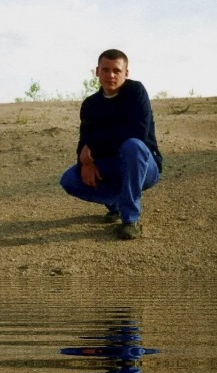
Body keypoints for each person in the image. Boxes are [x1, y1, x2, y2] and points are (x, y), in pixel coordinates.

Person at [60, 49, 162, 240]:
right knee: (69, 180)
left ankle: (130, 220)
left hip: (144, 166)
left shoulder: (135, 92)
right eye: (105, 70)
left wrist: (97, 145)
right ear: (97, 71)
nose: (111, 75)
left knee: (133, 145)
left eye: (117, 70)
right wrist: (86, 164)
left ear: (126, 73)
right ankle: (116, 202)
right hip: (111, 165)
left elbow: (137, 132)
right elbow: (84, 141)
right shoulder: (91, 104)